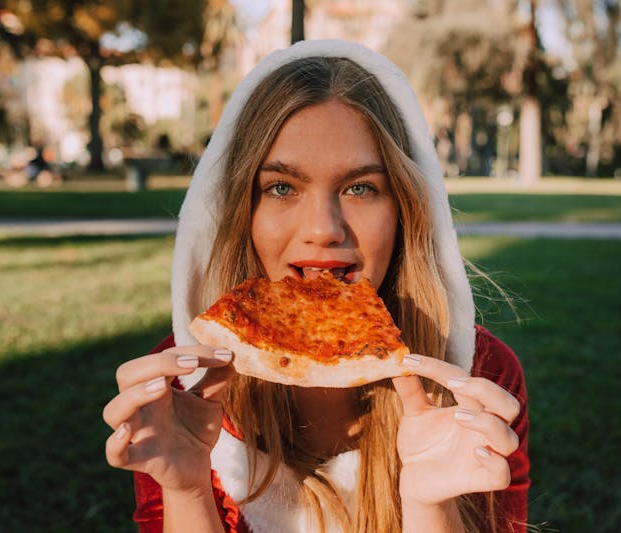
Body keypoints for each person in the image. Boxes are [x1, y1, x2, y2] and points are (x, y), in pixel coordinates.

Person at [103, 39, 529, 533]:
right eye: (281, 187)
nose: (324, 228)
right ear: (242, 210)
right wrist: (187, 489)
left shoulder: (478, 378)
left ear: (406, 210)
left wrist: (432, 511)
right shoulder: (180, 385)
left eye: (360, 188)